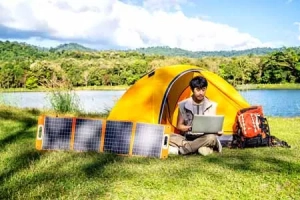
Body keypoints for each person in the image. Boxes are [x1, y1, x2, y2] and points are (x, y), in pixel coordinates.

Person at [168, 75, 223, 156]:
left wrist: (219, 131)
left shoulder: (212, 105)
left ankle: (184, 150)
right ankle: (200, 148)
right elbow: (179, 126)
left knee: (211, 138)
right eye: (198, 90)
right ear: (192, 90)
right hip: (188, 137)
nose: (201, 93)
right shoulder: (183, 105)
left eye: (203, 90)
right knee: (167, 136)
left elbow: (214, 126)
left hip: (205, 137)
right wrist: (190, 128)